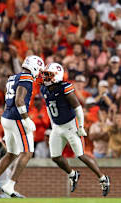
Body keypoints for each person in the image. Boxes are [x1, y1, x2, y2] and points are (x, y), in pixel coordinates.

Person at [40, 62, 110, 196]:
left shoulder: (65, 88)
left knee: (81, 155)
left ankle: (102, 178)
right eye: (45, 75)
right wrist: (52, 124)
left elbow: (78, 108)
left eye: (48, 75)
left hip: (70, 126)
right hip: (57, 126)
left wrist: (81, 126)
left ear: (57, 76)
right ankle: (72, 174)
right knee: (55, 157)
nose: (45, 78)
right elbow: (49, 108)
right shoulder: (44, 89)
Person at [0, 55, 44, 198]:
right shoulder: (26, 78)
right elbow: (19, 101)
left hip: (7, 117)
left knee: (12, 153)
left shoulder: (13, 77)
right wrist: (26, 119)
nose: (39, 73)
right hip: (17, 118)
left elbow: (7, 100)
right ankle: (9, 185)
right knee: (27, 152)